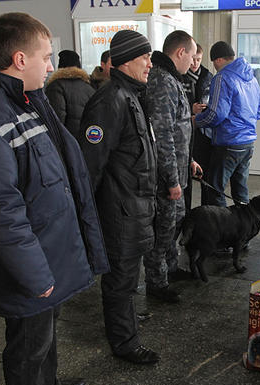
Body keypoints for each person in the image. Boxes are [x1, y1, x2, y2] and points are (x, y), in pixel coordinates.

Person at [0, 12, 109, 385]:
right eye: (47, 57)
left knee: (43, 337)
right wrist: (35, 274)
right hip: (28, 263)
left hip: (46, 252)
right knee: (27, 347)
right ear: (20, 59)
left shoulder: (25, 100)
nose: (53, 65)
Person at [78, 30, 159, 365]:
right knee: (120, 279)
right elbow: (90, 164)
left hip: (135, 207)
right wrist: (86, 217)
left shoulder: (131, 95)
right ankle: (124, 342)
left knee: (127, 277)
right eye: (145, 58)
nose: (150, 65)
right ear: (126, 60)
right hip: (120, 210)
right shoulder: (109, 100)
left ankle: (123, 319)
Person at [143, 30, 201, 303]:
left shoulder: (171, 79)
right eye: (191, 55)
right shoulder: (163, 81)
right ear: (180, 52)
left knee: (174, 223)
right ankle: (157, 282)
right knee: (163, 228)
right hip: (167, 177)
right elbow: (162, 134)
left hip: (177, 169)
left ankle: (172, 268)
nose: (192, 62)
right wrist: (171, 179)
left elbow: (178, 128)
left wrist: (188, 160)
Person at [194, 41, 260, 207]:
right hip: (248, 144)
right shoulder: (251, 78)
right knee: (240, 190)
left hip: (228, 143)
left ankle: (220, 230)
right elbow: (259, 111)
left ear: (217, 60)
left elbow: (216, 115)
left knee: (215, 189)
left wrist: (196, 121)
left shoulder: (222, 77)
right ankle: (244, 229)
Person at [182, 43, 213, 206]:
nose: (195, 64)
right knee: (186, 174)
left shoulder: (208, 76)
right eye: (193, 60)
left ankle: (205, 210)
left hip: (204, 133)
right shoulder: (180, 76)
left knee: (205, 174)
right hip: (186, 130)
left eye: (198, 60)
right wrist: (191, 109)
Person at [45, 49, 95, 138]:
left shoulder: (56, 86)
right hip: (88, 138)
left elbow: (57, 118)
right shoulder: (89, 86)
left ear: (60, 66)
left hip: (68, 142)